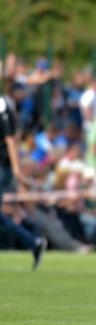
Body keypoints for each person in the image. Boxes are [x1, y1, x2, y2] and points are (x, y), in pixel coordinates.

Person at [0, 92, 46, 270]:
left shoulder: (2, 106)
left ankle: (33, 242)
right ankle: (33, 242)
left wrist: (17, 170)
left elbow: (11, 140)